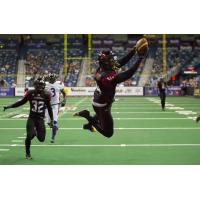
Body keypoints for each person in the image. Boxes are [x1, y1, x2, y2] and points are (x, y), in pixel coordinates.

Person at [74, 38, 148, 138]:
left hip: (100, 100)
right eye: (111, 60)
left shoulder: (103, 68)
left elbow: (122, 61)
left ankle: (88, 125)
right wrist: (140, 58)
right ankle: (86, 115)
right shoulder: (106, 77)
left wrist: (134, 50)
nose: (113, 61)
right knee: (108, 133)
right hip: (102, 105)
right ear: (106, 62)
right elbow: (128, 74)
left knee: (99, 118)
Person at [3, 77, 53, 160]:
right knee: (29, 135)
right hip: (32, 118)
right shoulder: (30, 93)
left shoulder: (47, 95)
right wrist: (9, 106)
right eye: (39, 85)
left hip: (40, 118)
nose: (40, 87)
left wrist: (51, 120)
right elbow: (21, 102)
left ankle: (35, 132)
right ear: (35, 85)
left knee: (41, 139)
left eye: (41, 85)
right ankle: (27, 153)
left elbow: (49, 108)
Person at [45, 73, 67, 143]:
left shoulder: (57, 84)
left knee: (54, 122)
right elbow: (64, 93)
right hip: (48, 105)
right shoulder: (46, 85)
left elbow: (64, 93)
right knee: (49, 123)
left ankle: (53, 138)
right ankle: (55, 127)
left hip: (55, 105)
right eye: (50, 78)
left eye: (51, 78)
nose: (51, 79)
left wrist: (64, 100)